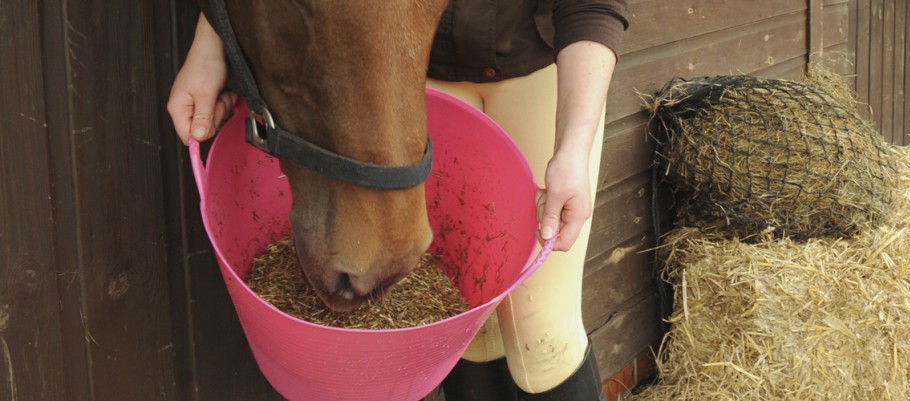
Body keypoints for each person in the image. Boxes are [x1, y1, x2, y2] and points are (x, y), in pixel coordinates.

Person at [166, 1, 628, 400]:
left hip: (541, 69)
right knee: (468, 322)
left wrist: (574, 145)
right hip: (407, 73)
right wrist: (210, 39)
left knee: (542, 333)